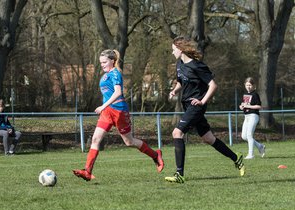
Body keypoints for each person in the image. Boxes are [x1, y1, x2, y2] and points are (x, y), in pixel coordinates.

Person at [73, 49, 164, 181]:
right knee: (95, 139)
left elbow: (117, 93)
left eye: (104, 62)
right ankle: (87, 171)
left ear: (112, 61)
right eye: (101, 62)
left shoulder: (115, 73)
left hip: (119, 111)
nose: (102, 65)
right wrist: (105, 108)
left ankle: (156, 155)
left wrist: (103, 106)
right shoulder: (105, 75)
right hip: (107, 113)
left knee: (129, 141)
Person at [165, 36, 245, 184]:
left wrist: (202, 101)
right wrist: (175, 91)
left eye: (173, 49)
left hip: (196, 106)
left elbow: (213, 85)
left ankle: (179, 174)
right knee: (208, 138)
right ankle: (236, 158)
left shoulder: (197, 66)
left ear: (180, 49)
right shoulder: (179, 64)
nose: (172, 52)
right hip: (187, 105)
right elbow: (181, 81)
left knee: (177, 133)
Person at [239, 77, 266, 159]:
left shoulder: (255, 94)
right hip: (246, 116)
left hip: (253, 116)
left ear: (254, 85)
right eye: (247, 85)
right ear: (244, 85)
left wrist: (248, 106)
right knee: (244, 136)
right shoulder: (245, 94)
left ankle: (251, 155)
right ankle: (260, 146)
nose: (248, 86)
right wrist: (241, 106)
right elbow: (244, 104)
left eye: (250, 85)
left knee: (249, 135)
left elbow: (259, 106)